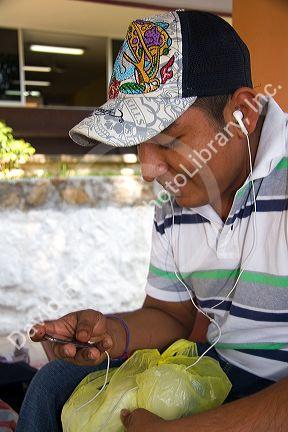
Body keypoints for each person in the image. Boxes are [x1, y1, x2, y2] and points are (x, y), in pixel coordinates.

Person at [16, 10, 288, 432]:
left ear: (243, 115)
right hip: (216, 376)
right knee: (55, 385)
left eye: (170, 139)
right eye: (137, 144)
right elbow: (170, 315)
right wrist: (110, 334)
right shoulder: (178, 196)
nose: (148, 169)